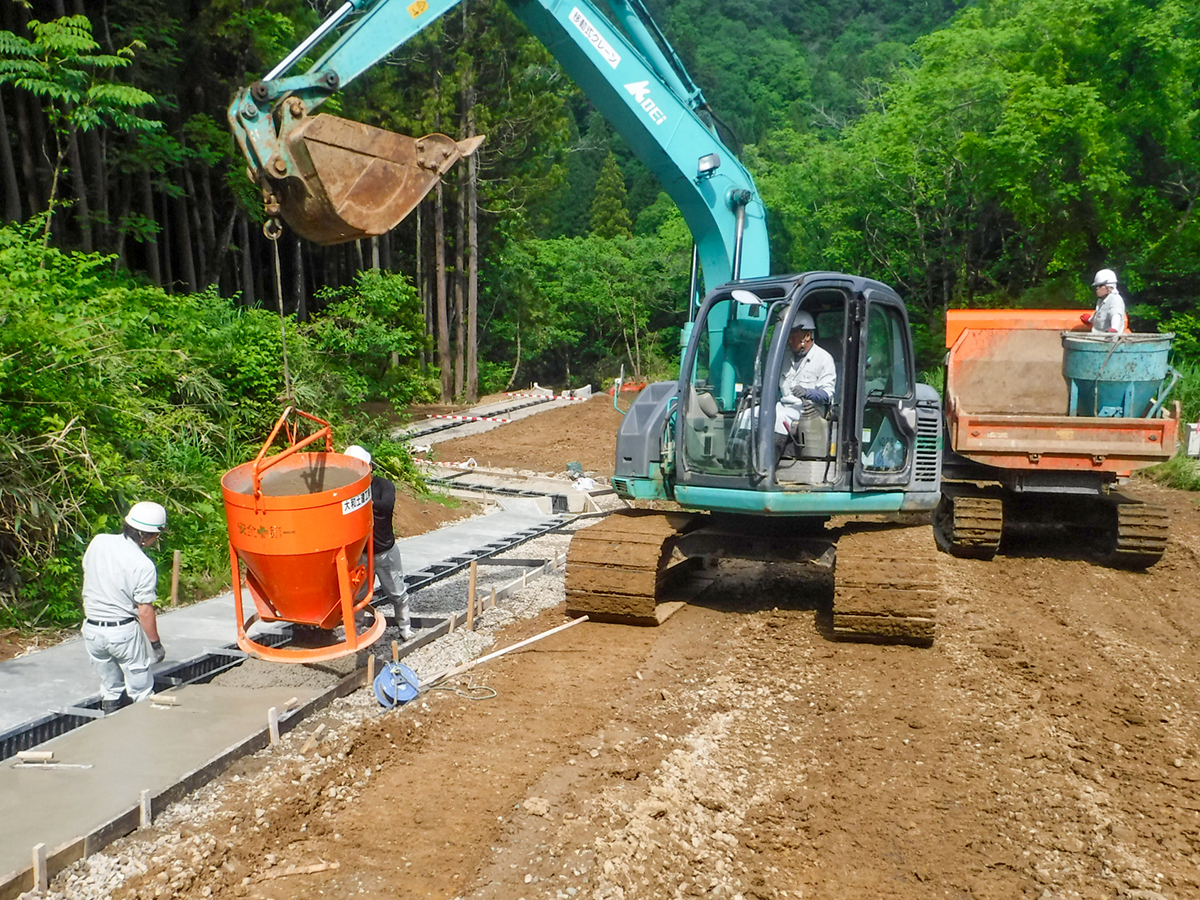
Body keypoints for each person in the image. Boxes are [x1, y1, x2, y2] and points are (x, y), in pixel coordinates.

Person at [81, 501, 168, 715]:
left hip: (91, 631)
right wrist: (155, 644)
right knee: (140, 689)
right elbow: (144, 610)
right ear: (145, 536)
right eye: (157, 535)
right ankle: (144, 732)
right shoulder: (143, 564)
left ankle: (109, 725)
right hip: (122, 632)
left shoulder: (99, 542)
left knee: (110, 688)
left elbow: (88, 570)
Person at [344, 445, 413, 640]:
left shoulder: (383, 486)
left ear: (370, 467)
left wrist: (363, 501)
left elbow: (385, 505)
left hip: (384, 551)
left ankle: (405, 628)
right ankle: (354, 634)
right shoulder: (347, 491)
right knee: (358, 596)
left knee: (397, 592)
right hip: (361, 554)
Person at [774, 311, 837, 455]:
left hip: (808, 412)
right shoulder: (783, 356)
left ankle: (768, 463)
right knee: (749, 414)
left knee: (778, 418)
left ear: (807, 336)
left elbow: (827, 395)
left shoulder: (824, 359)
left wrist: (807, 392)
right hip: (783, 406)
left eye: (793, 336)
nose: (789, 341)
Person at [1082, 267, 1127, 333]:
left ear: (1109, 287)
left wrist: (1114, 328)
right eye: (1096, 286)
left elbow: (1116, 315)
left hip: (1107, 340)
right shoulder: (1102, 300)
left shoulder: (1115, 300)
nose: (1097, 289)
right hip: (1097, 337)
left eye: (1100, 286)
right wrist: (1089, 319)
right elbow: (1099, 315)